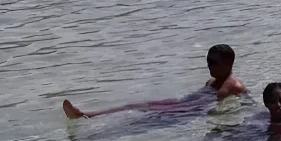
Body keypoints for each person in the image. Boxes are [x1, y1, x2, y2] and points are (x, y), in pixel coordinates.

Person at [62, 44, 246, 120]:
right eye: (207, 61)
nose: (208, 65)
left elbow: (244, 101)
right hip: (181, 104)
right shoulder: (212, 81)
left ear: (228, 63)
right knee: (134, 105)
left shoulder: (233, 85)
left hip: (186, 111)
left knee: (144, 120)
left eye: (213, 62)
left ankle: (86, 120)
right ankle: (86, 115)